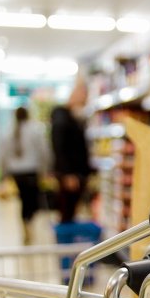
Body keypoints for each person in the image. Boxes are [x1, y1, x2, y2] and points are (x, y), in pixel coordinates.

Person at [0, 106, 51, 243]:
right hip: (32, 171)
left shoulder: (8, 131)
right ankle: (29, 222)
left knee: (23, 199)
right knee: (32, 200)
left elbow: (3, 155)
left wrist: (3, 174)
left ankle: (25, 223)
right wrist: (46, 169)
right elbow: (44, 151)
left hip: (16, 173)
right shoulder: (35, 130)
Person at [50, 82, 92, 223]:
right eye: (83, 95)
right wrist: (67, 174)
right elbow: (60, 147)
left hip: (75, 173)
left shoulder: (71, 117)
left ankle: (68, 236)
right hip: (70, 174)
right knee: (67, 209)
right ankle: (65, 240)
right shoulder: (62, 119)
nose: (85, 100)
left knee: (70, 210)